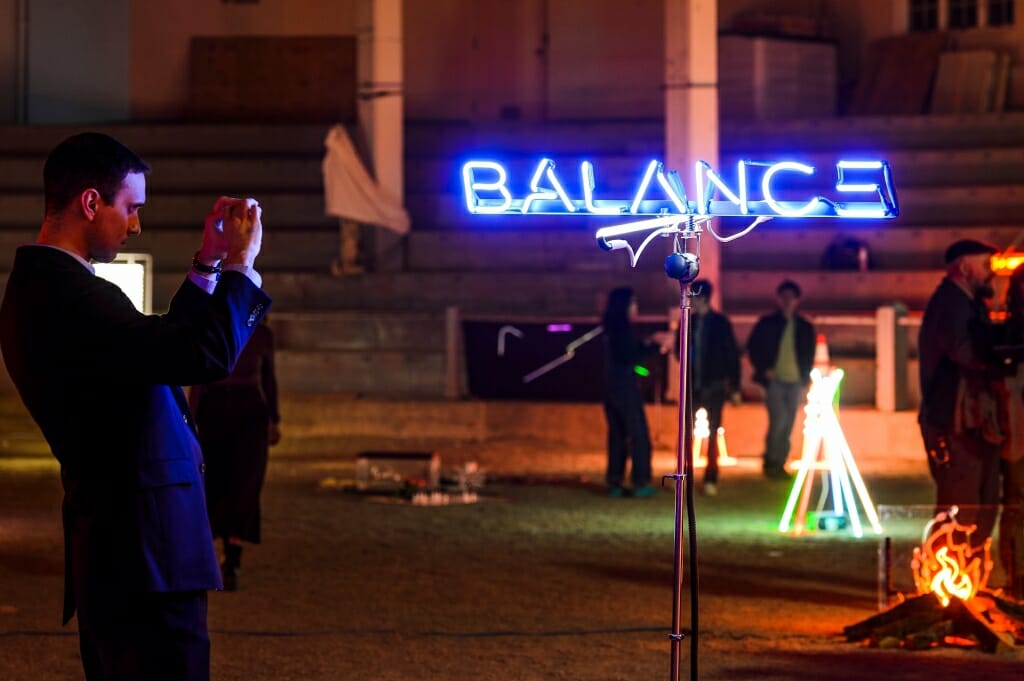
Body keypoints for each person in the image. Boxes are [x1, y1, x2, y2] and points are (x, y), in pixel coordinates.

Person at [0, 132, 270, 681]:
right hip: (142, 552)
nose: (136, 224)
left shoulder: (49, 286)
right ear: (91, 202)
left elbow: (159, 349)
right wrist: (242, 266)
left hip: (121, 546)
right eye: (131, 207)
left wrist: (209, 263)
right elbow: (201, 354)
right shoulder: (71, 294)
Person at [918, 239, 1002, 551]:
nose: (991, 274)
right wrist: (999, 354)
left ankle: (965, 580)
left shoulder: (968, 303)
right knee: (961, 505)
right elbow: (966, 353)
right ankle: (950, 583)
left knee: (980, 502)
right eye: (985, 266)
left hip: (968, 420)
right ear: (964, 268)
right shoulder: (951, 303)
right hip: (953, 421)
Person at [189, 318, 281, 591]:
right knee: (231, 482)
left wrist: (274, 419)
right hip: (233, 409)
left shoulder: (253, 332)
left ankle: (229, 556)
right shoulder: (257, 333)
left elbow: (268, 379)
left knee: (240, 483)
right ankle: (228, 556)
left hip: (232, 409)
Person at [601, 287, 672, 497]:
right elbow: (628, 356)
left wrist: (648, 342)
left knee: (617, 434)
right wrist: (656, 348)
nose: (636, 307)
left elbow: (625, 352)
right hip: (624, 386)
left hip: (611, 385)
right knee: (638, 433)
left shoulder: (611, 327)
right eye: (633, 303)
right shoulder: (621, 328)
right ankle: (640, 480)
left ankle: (615, 480)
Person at [746, 279, 816, 479]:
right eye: (784, 297)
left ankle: (778, 462)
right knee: (779, 421)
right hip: (775, 380)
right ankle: (772, 462)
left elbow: (808, 353)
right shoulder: (768, 324)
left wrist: (804, 376)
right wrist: (764, 369)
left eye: (790, 297)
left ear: (796, 300)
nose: (787, 301)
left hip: (794, 380)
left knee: (787, 423)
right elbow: (754, 348)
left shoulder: (804, 326)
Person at [687, 280, 742, 496]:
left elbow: (731, 355)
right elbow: (679, 350)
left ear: (703, 298)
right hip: (694, 385)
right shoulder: (689, 322)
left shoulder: (720, 323)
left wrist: (734, 386)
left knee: (713, 434)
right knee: (687, 434)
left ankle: (711, 477)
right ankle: (686, 475)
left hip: (714, 385)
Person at [995, 263, 1024, 598]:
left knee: (1014, 504)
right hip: (1016, 430)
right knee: (1015, 504)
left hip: (1014, 433)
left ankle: (1017, 579)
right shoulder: (1010, 332)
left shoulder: (1008, 331)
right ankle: (1017, 579)